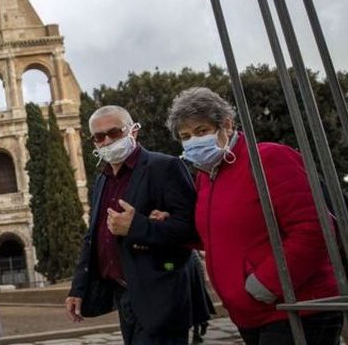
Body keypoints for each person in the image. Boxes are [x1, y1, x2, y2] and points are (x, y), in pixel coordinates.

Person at [162, 86, 342, 344]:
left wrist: (267, 284)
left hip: (296, 307)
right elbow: (217, 234)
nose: (193, 141)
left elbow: (314, 228)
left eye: (201, 131)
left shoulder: (268, 159)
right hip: (249, 315)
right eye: (185, 136)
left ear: (227, 124)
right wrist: (166, 224)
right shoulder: (206, 176)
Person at [66, 105, 204, 344]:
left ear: (133, 131)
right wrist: (78, 288)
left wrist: (138, 226)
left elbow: (193, 229)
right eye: (99, 136)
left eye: (115, 132)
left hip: (161, 294)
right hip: (125, 295)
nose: (107, 140)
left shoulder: (164, 167)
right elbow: (93, 237)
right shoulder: (102, 179)